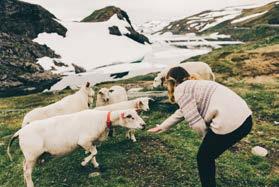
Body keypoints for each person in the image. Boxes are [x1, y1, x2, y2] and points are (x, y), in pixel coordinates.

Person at [148, 67, 253, 187]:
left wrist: (206, 138)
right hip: (246, 119)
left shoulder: (180, 90)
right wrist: (163, 126)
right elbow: (183, 111)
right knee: (208, 155)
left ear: (171, 82)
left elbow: (196, 123)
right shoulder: (196, 84)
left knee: (204, 157)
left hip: (230, 123)